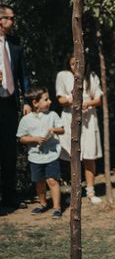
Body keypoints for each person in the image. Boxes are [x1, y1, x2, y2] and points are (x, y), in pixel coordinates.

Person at [56, 53, 104, 203]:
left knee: (89, 155)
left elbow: (98, 99)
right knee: (73, 156)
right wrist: (72, 101)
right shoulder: (63, 76)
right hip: (70, 118)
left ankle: (90, 192)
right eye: (72, 64)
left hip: (89, 120)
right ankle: (75, 191)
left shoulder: (91, 76)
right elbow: (61, 99)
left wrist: (88, 103)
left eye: (78, 63)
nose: (75, 67)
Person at [16, 87, 64, 219]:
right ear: (35, 103)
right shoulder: (26, 120)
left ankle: (57, 207)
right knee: (40, 182)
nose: (50, 102)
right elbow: (21, 138)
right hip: (36, 156)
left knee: (52, 180)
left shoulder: (52, 115)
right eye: (46, 99)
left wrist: (53, 130)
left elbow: (62, 129)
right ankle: (43, 204)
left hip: (51, 155)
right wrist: (35, 139)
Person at [0, 4, 30, 212]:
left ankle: (8, 198)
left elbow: (23, 74)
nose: (13, 22)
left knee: (9, 153)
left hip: (9, 103)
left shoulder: (15, 43)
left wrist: (27, 100)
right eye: (10, 18)